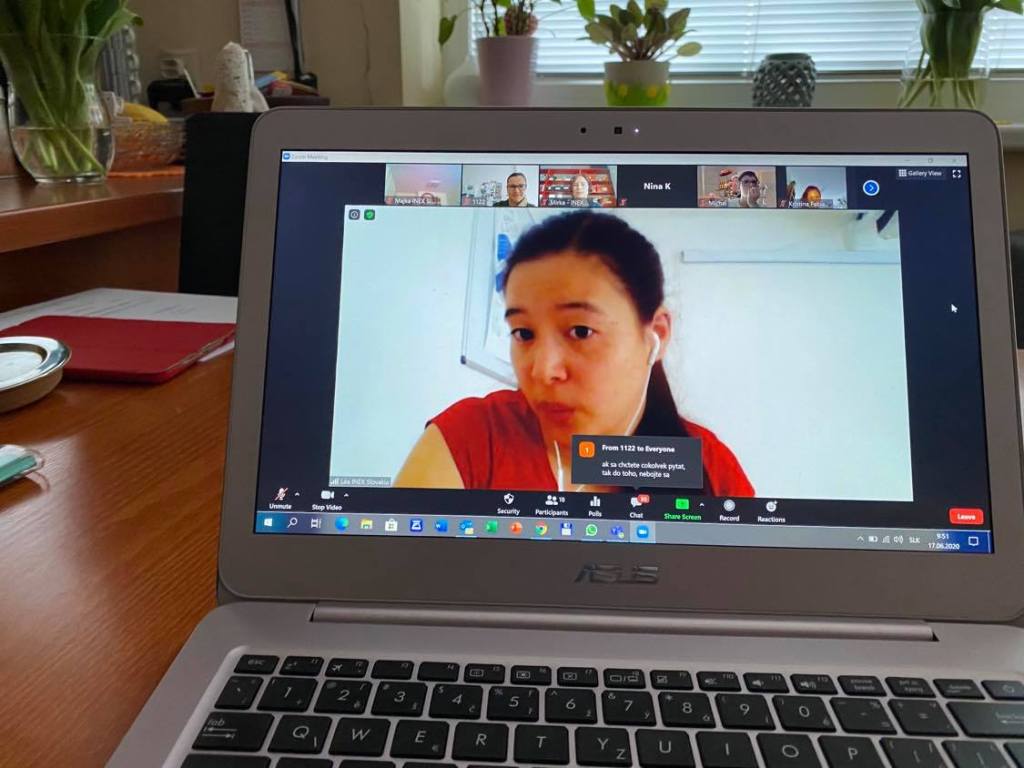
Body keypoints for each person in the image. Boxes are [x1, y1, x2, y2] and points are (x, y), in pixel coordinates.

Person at [394, 211, 754, 496]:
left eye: (581, 331)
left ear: (655, 335)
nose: (543, 370)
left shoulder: (709, 469)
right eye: (523, 333)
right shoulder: (473, 438)